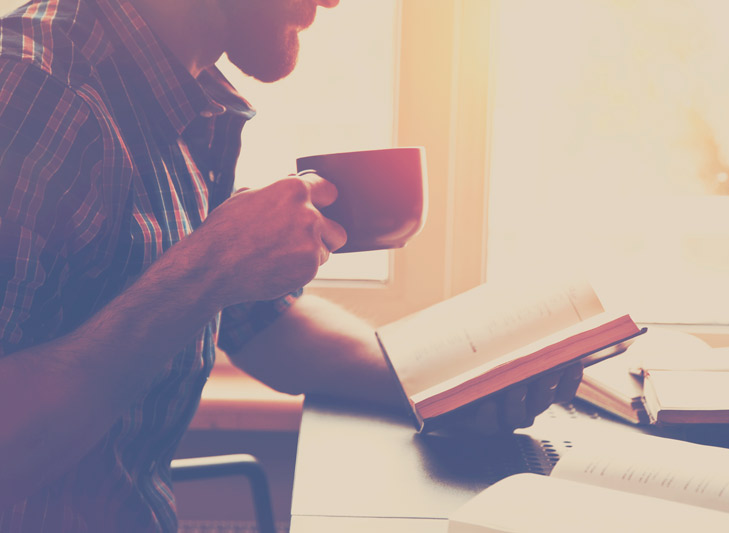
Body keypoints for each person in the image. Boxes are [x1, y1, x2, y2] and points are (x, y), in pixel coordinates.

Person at [0, 0, 583, 530]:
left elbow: (259, 324)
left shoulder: (180, 96)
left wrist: (441, 383)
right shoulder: (32, 90)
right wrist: (210, 267)